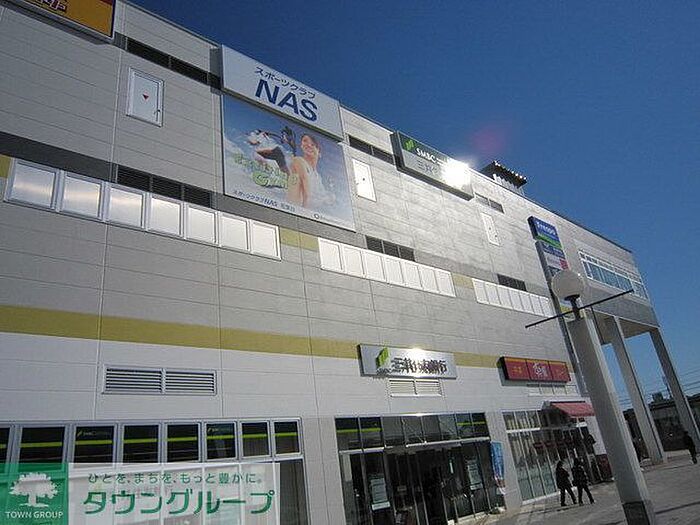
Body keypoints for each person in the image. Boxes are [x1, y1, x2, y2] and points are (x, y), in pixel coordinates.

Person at [287, 133, 332, 208]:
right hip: (297, 209)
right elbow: (307, 194)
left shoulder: (318, 176)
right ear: (302, 146)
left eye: (313, 144)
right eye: (305, 141)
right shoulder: (298, 160)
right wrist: (305, 212)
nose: (308, 145)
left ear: (319, 153)